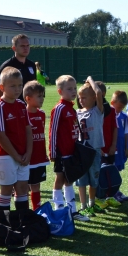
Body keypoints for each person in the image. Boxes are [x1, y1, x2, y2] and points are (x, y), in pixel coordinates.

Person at [49, 75, 91, 219]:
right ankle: (59, 208)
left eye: (74, 88)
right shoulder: (59, 108)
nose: (73, 92)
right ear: (60, 91)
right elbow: (53, 131)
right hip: (62, 152)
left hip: (72, 151)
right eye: (69, 89)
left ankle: (72, 210)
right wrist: (53, 151)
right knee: (60, 178)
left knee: (70, 180)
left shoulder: (72, 109)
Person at [0, 67, 32, 214]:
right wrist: (16, 156)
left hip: (23, 156)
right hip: (6, 156)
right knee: (6, 190)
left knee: (22, 188)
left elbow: (28, 130)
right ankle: (4, 223)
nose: (17, 89)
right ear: (2, 87)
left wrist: (28, 152)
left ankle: (23, 221)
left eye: (20, 85)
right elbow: (1, 135)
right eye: (12, 86)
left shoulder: (21, 105)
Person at [75, 77, 105, 217]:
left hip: (94, 151)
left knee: (94, 180)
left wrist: (90, 80)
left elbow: (99, 92)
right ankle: (83, 205)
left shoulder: (97, 111)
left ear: (93, 97)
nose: (81, 100)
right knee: (81, 180)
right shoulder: (77, 112)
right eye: (80, 98)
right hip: (81, 152)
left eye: (84, 98)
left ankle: (92, 204)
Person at [23, 81, 49, 210]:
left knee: (36, 185)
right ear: (28, 98)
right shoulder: (23, 115)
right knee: (23, 186)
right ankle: (25, 211)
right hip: (28, 159)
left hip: (39, 158)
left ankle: (36, 210)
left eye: (42, 96)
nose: (42, 98)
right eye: (39, 96)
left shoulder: (42, 114)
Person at [0, 34, 37, 100]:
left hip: (28, 107)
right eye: (22, 46)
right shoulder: (7, 65)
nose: (26, 48)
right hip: (14, 107)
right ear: (14, 48)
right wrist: (8, 104)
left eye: (27, 45)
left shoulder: (31, 65)